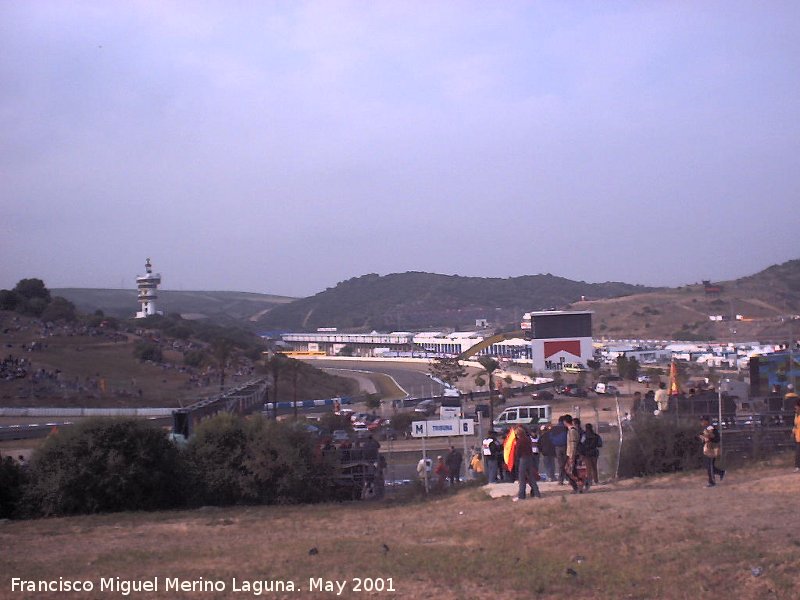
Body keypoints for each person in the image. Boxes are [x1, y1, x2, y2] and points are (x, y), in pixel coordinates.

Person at [511, 425, 540, 501]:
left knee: (522, 478)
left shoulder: (519, 441)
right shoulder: (528, 439)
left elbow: (518, 452)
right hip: (529, 458)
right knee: (531, 477)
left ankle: (521, 495)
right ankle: (537, 493)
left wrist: (516, 458)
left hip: (523, 459)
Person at [699, 416, 725, 487]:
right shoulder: (707, 428)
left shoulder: (710, 427)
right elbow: (704, 437)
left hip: (712, 448)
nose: (701, 422)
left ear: (706, 421)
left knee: (709, 465)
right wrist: (703, 437)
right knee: (710, 466)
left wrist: (706, 436)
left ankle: (712, 482)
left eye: (703, 421)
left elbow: (713, 436)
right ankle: (721, 472)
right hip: (710, 448)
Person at [563, 415, 584, 493]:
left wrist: (571, 456)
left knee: (569, 471)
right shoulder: (572, 430)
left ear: (565, 422)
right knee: (571, 470)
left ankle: (578, 485)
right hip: (571, 454)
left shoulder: (572, 431)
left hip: (572, 454)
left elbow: (573, 444)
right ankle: (577, 486)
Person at [550, 416, 568, 485]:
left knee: (560, 464)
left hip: (557, 447)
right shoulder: (565, 428)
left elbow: (551, 437)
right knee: (566, 463)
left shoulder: (554, 428)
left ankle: (560, 480)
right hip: (565, 446)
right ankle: (568, 478)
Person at [792, 398, 800, 473]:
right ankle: (797, 466)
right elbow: (795, 425)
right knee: (798, 452)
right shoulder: (796, 415)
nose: (795, 408)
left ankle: (797, 466)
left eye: (796, 406)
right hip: (798, 436)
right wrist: (793, 432)